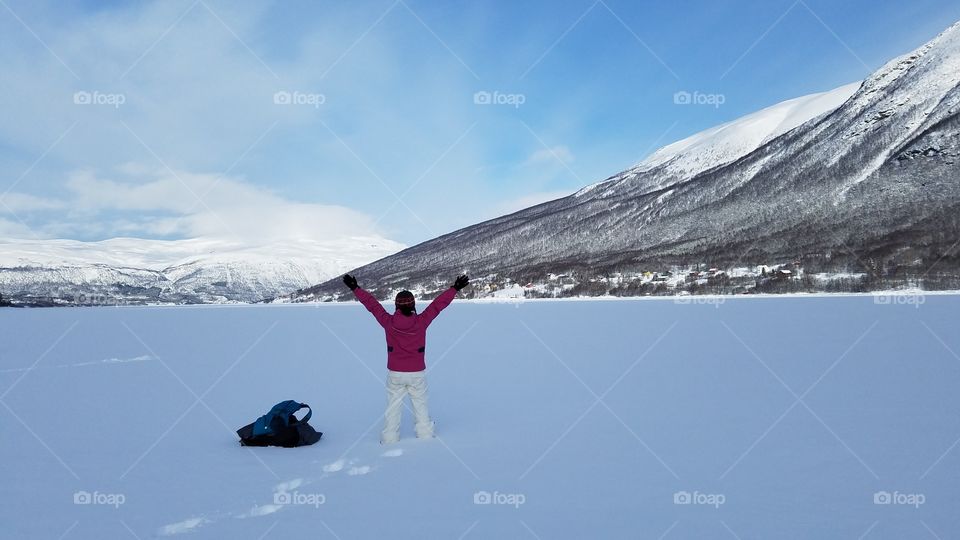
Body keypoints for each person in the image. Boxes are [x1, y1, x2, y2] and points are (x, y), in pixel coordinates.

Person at [343, 273, 469, 444]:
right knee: (420, 405)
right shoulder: (421, 321)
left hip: (395, 372)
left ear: (396, 305)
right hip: (417, 372)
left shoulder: (388, 322)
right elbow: (437, 305)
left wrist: (355, 288)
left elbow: (372, 305)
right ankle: (425, 435)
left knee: (393, 407)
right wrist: (454, 289)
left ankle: (389, 438)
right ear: (413, 305)